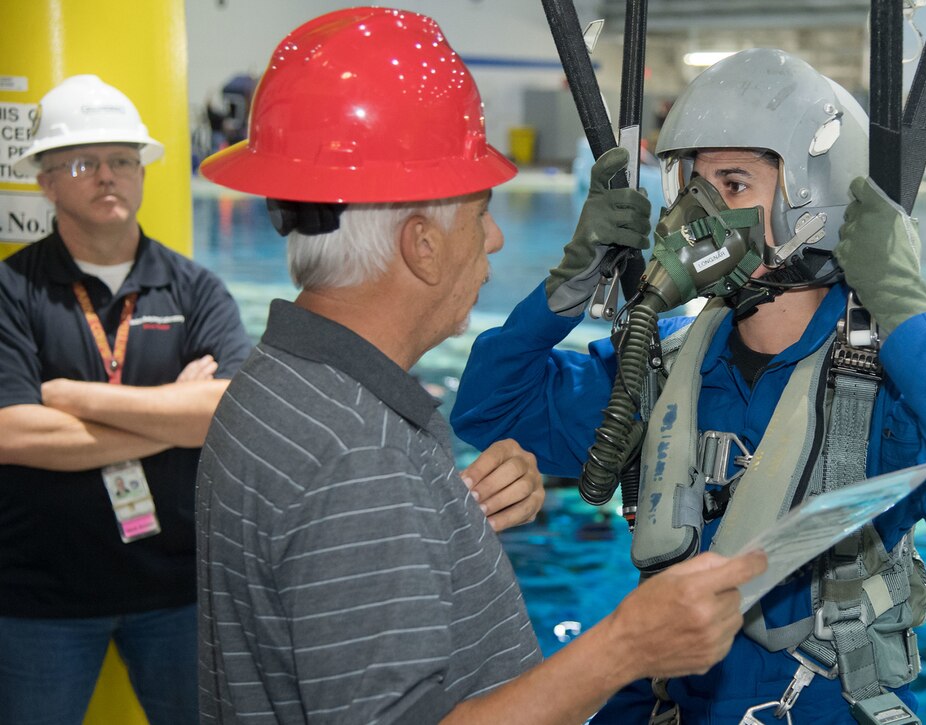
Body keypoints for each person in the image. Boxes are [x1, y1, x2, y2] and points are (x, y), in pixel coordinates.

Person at [452, 48, 926, 723]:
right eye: (692, 186)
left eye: (733, 185)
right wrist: (569, 285)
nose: (698, 213)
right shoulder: (659, 368)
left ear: (814, 200)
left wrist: (903, 308)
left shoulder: (888, 380)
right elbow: (488, 408)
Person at [195, 8, 766, 725]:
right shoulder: (359, 458)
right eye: (480, 213)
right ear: (421, 245)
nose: (495, 238)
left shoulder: (276, 387)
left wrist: (444, 517)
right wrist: (625, 644)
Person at [0, 75, 251, 723]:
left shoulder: (195, 289)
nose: (107, 176)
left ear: (141, 173)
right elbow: (15, 434)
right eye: (82, 162)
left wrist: (69, 398)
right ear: (47, 181)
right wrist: (175, 413)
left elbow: (229, 412)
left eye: (121, 160)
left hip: (176, 589)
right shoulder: (11, 292)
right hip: (39, 595)